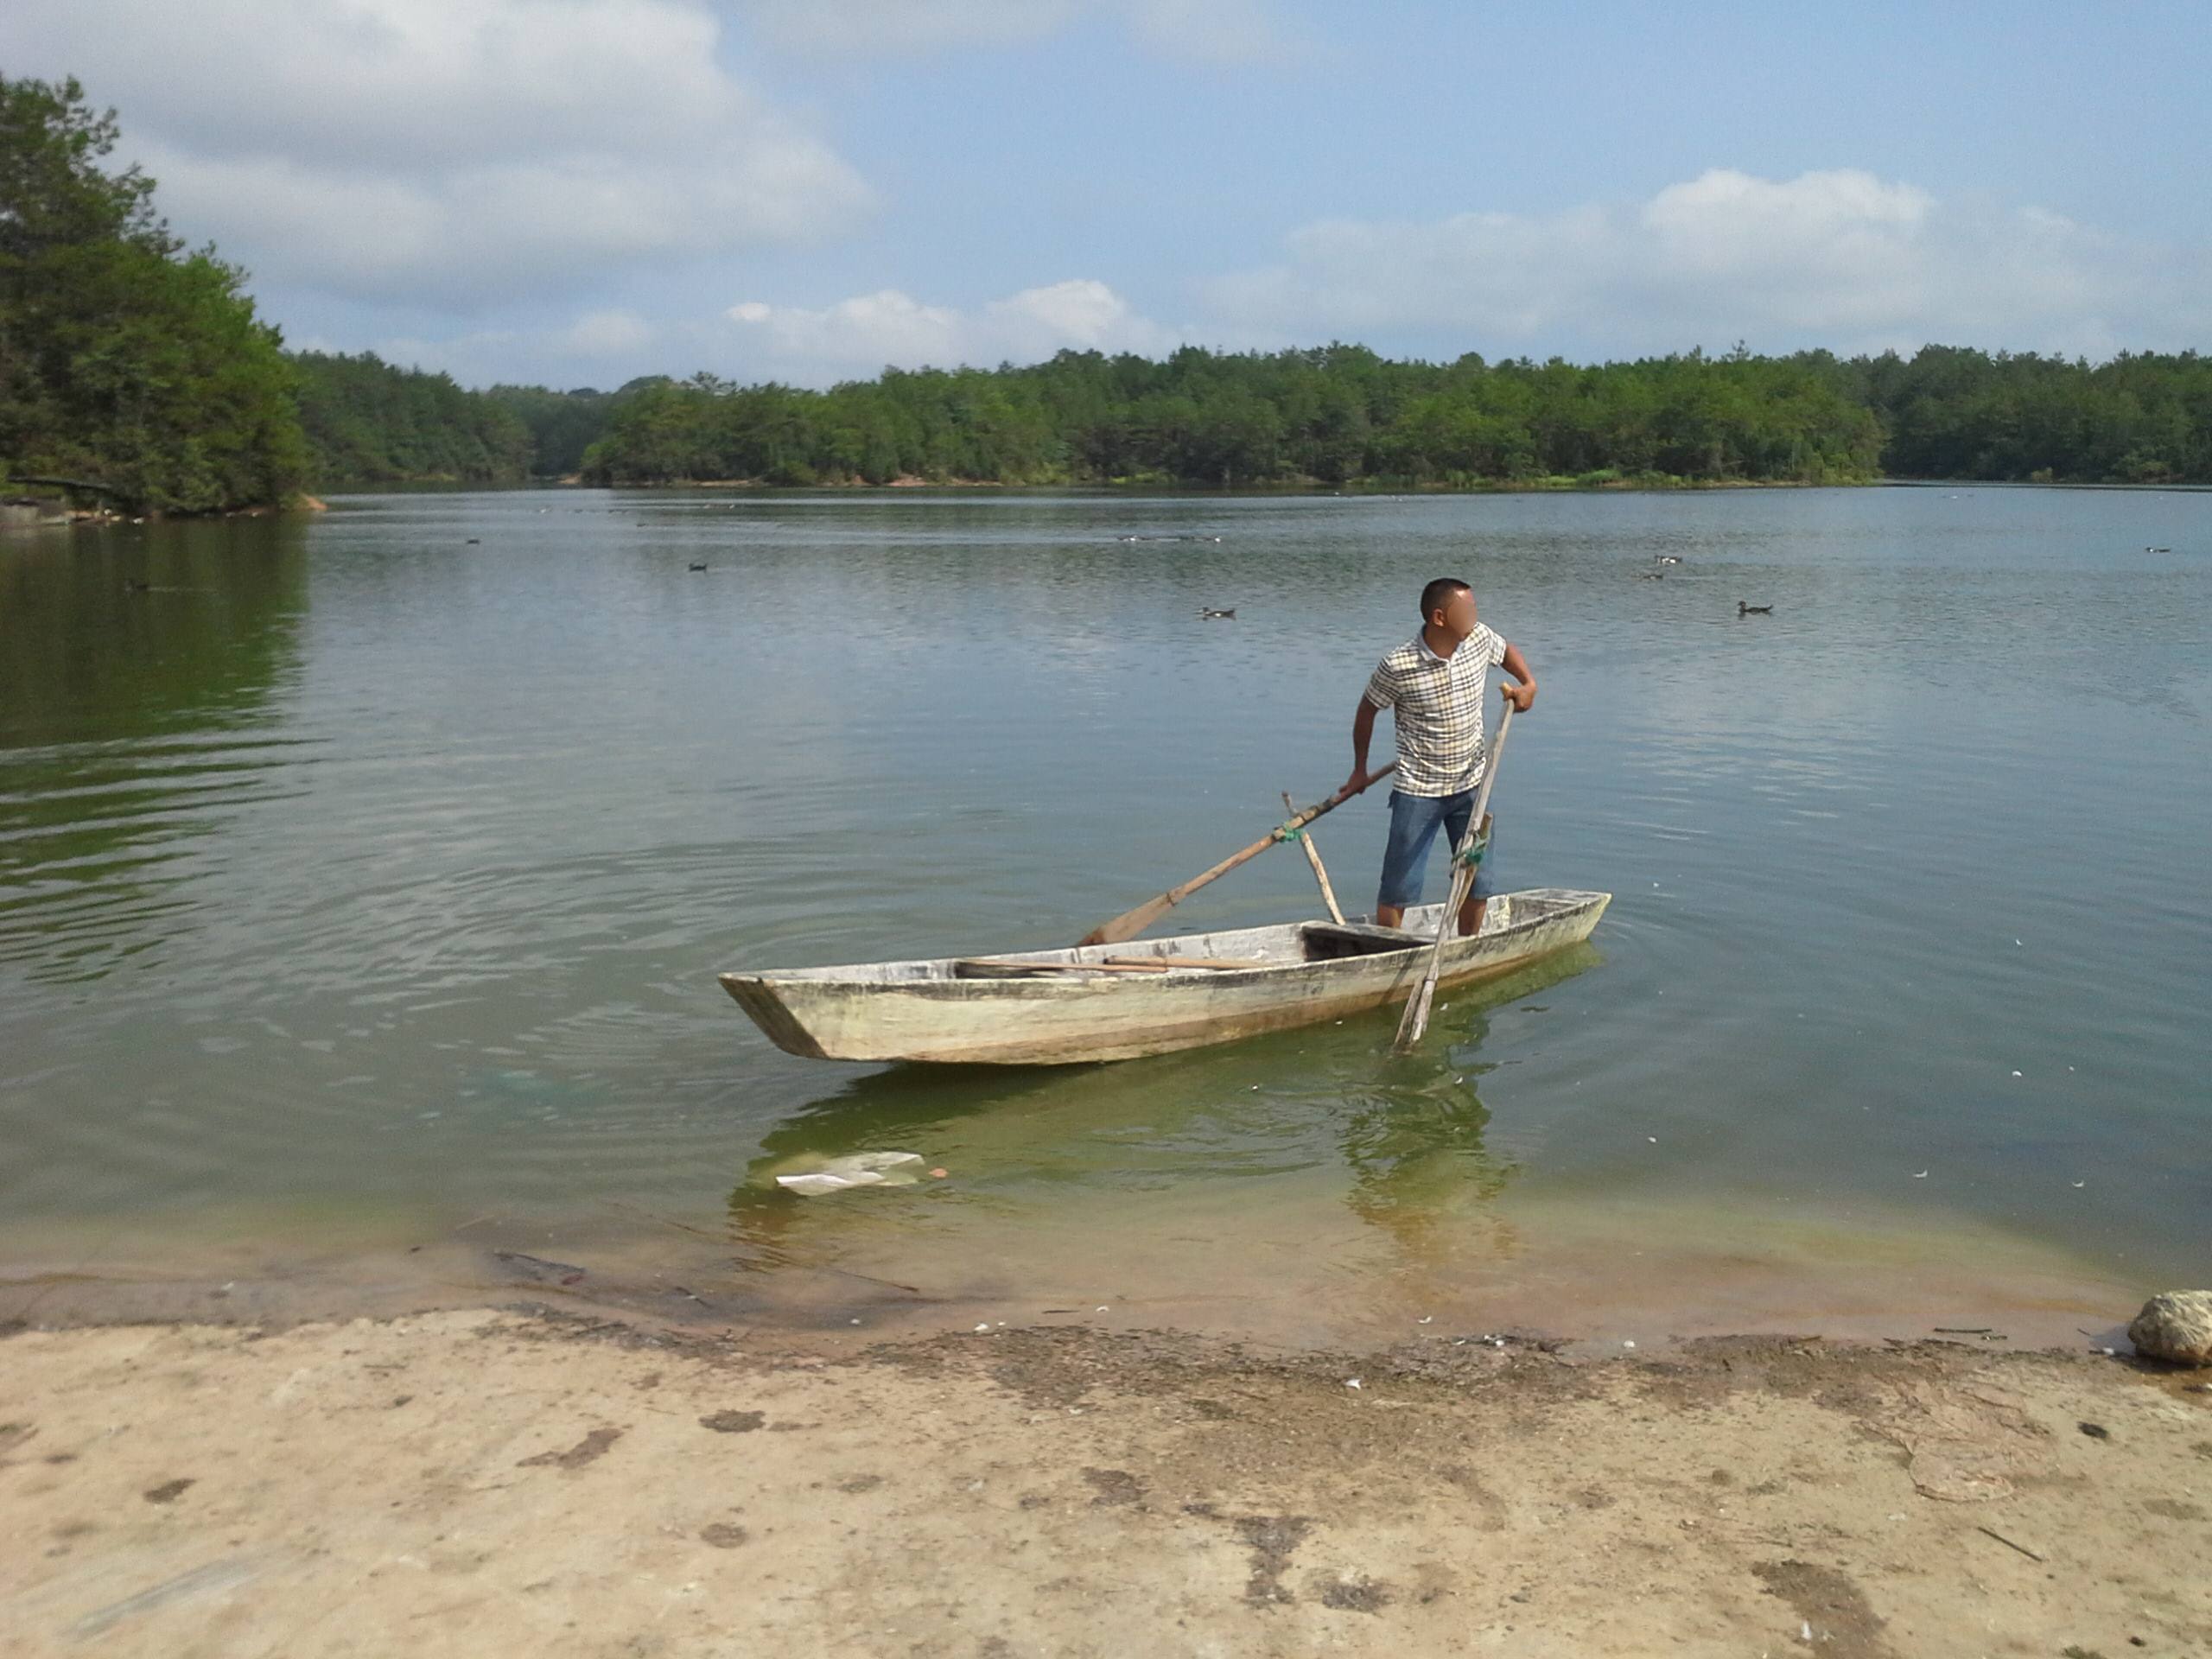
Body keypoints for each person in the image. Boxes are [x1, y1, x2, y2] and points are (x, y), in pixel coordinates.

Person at [1343, 577, 1536, 935]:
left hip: (1472, 783)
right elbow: (1367, 710)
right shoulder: (1399, 665)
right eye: (1467, 609)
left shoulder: (1477, 639)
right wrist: (1359, 771)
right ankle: (1388, 949)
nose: (1474, 615)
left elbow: (1505, 649)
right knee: (1398, 885)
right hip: (1419, 788)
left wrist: (1528, 684)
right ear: (1439, 618)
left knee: (1476, 878)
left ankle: (1467, 949)